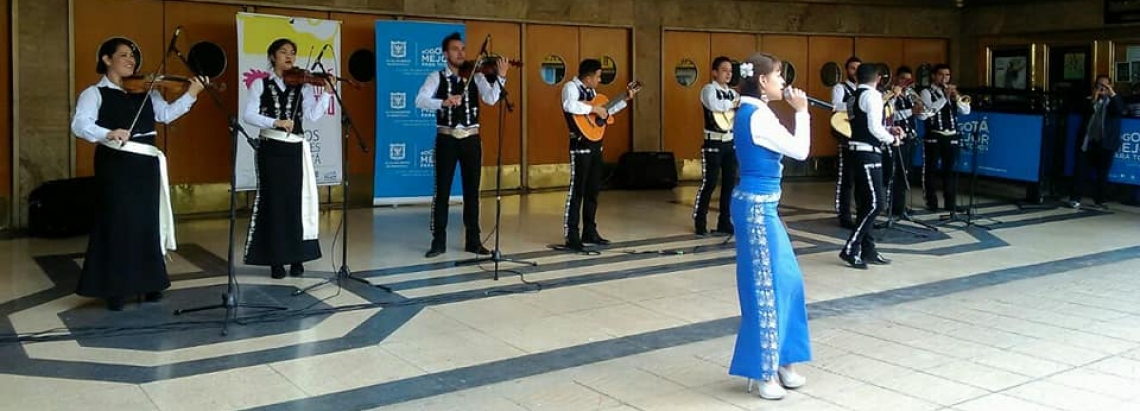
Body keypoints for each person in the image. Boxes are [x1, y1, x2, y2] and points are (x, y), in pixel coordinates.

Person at [71, 37, 206, 310]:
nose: (131, 60)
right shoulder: (93, 93)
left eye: (133, 55)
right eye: (123, 55)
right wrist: (108, 132)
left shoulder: (147, 91)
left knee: (147, 222)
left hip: (146, 165)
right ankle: (116, 289)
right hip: (117, 164)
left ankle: (150, 282)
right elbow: (80, 125)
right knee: (118, 223)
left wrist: (191, 94)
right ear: (107, 59)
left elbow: (166, 115)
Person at [728, 52, 812, 400]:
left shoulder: (756, 111)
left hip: (763, 207)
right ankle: (763, 371)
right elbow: (800, 151)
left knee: (787, 280)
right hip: (755, 209)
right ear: (762, 80)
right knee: (764, 287)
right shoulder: (757, 116)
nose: (783, 82)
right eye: (779, 76)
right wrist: (803, 113)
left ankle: (783, 360)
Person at [242, 38, 333, 279]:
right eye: (283, 52)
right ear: (273, 56)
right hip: (270, 148)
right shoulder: (260, 84)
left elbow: (312, 116)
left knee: (297, 203)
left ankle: (297, 257)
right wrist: (275, 122)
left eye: (292, 52)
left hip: (295, 149)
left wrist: (326, 94)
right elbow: (249, 115)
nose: (289, 56)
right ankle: (276, 259)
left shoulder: (302, 84)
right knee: (274, 202)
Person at [415, 32, 508, 258]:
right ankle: (438, 241)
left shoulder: (476, 76)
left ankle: (473, 241)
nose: (461, 53)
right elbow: (420, 100)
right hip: (446, 138)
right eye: (456, 49)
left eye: (463, 49)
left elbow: (491, 98)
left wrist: (502, 77)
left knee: (472, 192)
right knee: (443, 192)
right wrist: (443, 102)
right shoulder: (436, 77)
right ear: (445, 54)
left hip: (471, 139)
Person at [561, 58, 637, 250]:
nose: (599, 80)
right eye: (598, 76)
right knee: (577, 190)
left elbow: (604, 111)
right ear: (587, 77)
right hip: (579, 145)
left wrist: (624, 100)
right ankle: (572, 234)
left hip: (596, 144)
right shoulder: (570, 87)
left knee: (593, 190)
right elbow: (569, 105)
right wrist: (593, 108)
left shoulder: (593, 92)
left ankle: (590, 230)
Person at [840, 64, 902, 269]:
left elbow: (864, 124)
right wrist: (891, 138)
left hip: (855, 151)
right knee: (876, 203)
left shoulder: (852, 97)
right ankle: (851, 248)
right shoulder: (873, 96)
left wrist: (887, 129)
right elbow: (874, 128)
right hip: (868, 153)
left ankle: (869, 249)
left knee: (865, 202)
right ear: (878, 78)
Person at [693, 56, 740, 236]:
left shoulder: (734, 93)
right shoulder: (708, 89)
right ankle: (700, 220)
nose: (728, 74)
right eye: (724, 70)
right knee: (709, 183)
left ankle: (724, 221)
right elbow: (715, 105)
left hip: (730, 142)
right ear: (714, 72)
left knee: (729, 183)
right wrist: (733, 105)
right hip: (713, 141)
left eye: (730, 71)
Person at [918, 64, 971, 212]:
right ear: (934, 76)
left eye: (947, 75)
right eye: (941, 74)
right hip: (934, 135)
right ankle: (931, 202)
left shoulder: (953, 93)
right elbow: (929, 110)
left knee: (950, 171)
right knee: (931, 170)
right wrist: (944, 97)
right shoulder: (926, 92)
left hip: (952, 135)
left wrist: (957, 98)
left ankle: (950, 203)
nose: (944, 78)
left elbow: (966, 111)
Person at [1070, 75, 1126, 209]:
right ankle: (1075, 198)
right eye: (1099, 85)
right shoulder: (1089, 100)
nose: (1102, 88)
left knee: (1102, 173)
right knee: (1080, 172)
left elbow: (1120, 110)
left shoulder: (1115, 101)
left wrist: (1111, 93)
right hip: (1088, 142)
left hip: (1106, 143)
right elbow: (1083, 111)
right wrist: (1094, 99)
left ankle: (1100, 200)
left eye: (1106, 85)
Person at [882, 66, 922, 217]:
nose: (906, 82)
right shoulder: (889, 95)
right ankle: (892, 207)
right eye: (903, 79)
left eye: (909, 80)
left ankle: (901, 206)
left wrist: (920, 108)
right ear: (896, 79)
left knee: (905, 173)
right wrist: (911, 111)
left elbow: (921, 114)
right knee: (895, 173)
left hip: (910, 137)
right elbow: (890, 116)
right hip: (896, 139)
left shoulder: (910, 95)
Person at [832, 56, 861, 228]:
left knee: (861, 180)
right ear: (847, 70)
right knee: (846, 179)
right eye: (852, 68)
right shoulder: (840, 87)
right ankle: (844, 216)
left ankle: (860, 212)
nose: (856, 71)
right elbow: (835, 106)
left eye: (859, 68)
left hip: (862, 138)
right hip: (846, 136)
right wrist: (856, 103)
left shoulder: (865, 89)